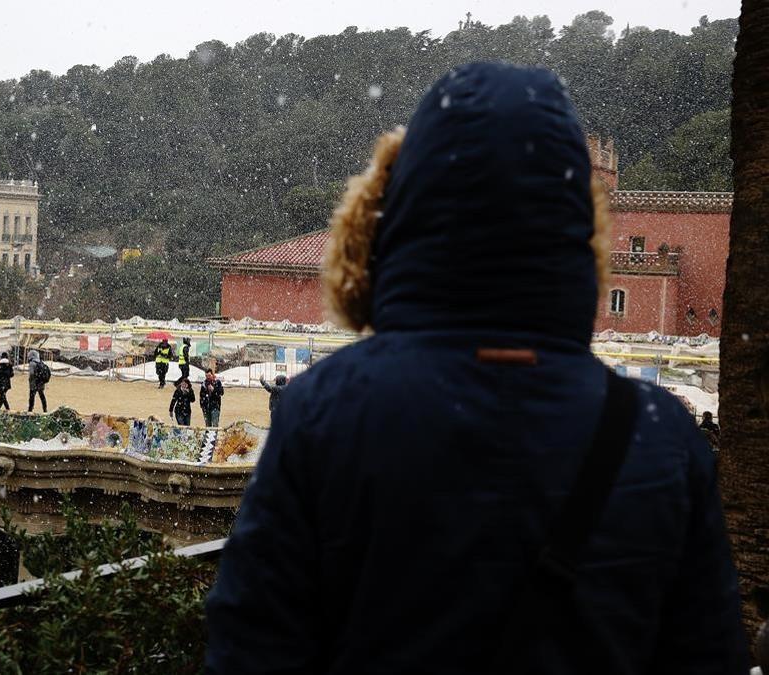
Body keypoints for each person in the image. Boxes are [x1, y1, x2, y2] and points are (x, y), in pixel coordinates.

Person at [205, 63, 747, 672]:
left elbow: (249, 650)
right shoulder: (662, 438)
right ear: (582, 228)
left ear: (401, 208)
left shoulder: (324, 410)